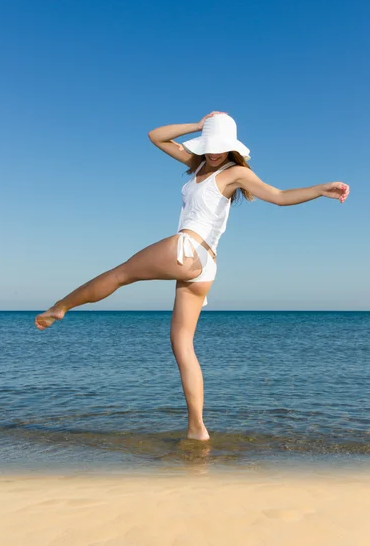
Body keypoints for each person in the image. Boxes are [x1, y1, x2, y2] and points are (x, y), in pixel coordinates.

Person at [34, 111, 350, 441]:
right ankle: (197, 429)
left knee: (120, 274)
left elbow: (280, 196)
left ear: (232, 147)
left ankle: (61, 306)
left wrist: (319, 189)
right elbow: (156, 136)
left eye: (220, 146)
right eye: (209, 145)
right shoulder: (197, 165)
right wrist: (199, 126)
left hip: (187, 248)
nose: (213, 152)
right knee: (182, 344)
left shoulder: (236, 173)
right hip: (204, 265)